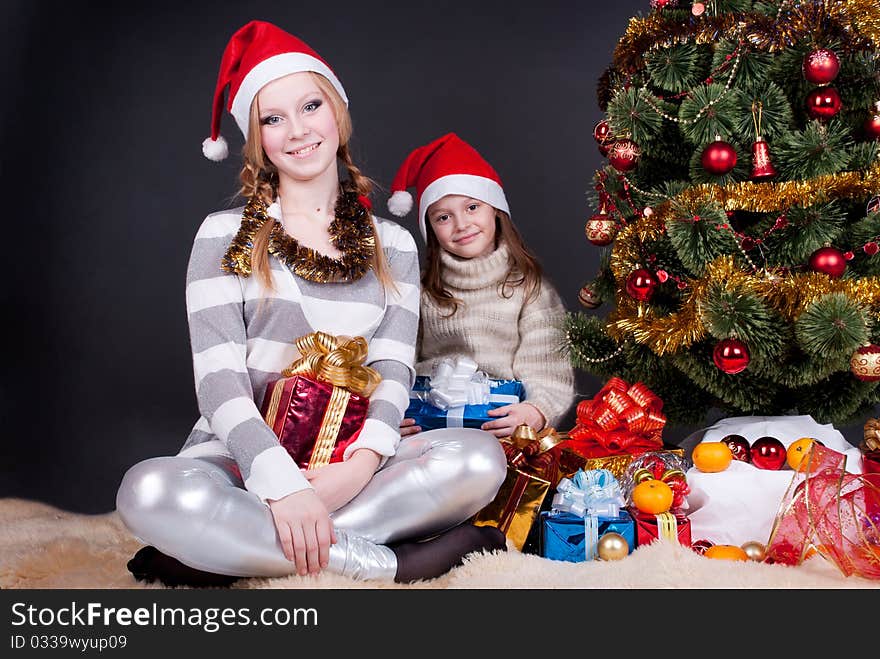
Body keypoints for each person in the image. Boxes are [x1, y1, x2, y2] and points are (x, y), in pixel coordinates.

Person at [115, 21, 508, 588]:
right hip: (243, 461)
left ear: (338, 114)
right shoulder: (224, 236)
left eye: (310, 106)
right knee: (148, 491)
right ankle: (390, 562)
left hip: (350, 464)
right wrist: (282, 485)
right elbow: (219, 383)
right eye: (273, 119)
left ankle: (224, 554)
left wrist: (360, 465)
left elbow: (392, 369)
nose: (297, 131)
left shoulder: (392, 243)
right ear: (257, 139)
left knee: (480, 461)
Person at [387, 133, 576, 439]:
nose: (462, 225)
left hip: (501, 429)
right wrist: (391, 412)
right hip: (430, 427)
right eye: (444, 217)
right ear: (431, 229)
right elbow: (398, 360)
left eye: (472, 207)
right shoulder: (419, 292)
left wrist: (536, 411)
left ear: (495, 210)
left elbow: (548, 371)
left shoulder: (530, 290)